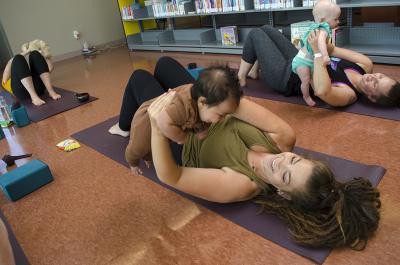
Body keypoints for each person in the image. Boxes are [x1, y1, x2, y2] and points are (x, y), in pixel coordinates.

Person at [148, 92, 381, 250]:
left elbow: (172, 175)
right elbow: (236, 102)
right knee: (165, 66)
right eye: (295, 160)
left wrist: (156, 126)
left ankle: (128, 126)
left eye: (286, 176)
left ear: (283, 193)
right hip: (204, 113)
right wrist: (206, 96)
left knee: (142, 85)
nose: (282, 161)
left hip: (183, 141)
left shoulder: (243, 184)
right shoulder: (283, 137)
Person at [111, 56, 281, 175]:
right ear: (202, 102)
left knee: (139, 76)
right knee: (138, 148)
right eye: (221, 114)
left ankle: (122, 125)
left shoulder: (205, 109)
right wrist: (181, 137)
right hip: (157, 120)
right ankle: (131, 155)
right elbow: (162, 122)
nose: (221, 119)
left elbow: (204, 118)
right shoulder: (186, 108)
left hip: (188, 135)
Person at [238, 25, 400, 107]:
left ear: (372, 98)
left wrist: (316, 52)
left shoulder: (348, 94)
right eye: (380, 76)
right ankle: (254, 70)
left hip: (285, 78)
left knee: (255, 34)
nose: (373, 77)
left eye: (376, 84)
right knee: (267, 29)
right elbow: (332, 49)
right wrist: (321, 35)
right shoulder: (365, 64)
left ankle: (241, 76)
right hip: (298, 59)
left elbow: (321, 91)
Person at [292, 0, 341, 106]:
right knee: (306, 80)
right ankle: (306, 96)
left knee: (314, 78)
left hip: (309, 59)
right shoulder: (323, 29)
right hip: (302, 61)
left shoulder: (314, 26)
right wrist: (325, 56)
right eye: (336, 19)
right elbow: (321, 43)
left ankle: (317, 93)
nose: (338, 22)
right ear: (323, 20)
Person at [1, 39, 61, 106]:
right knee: (18, 58)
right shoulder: (7, 81)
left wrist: (43, 52)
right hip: (22, 93)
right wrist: (26, 52)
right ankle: (34, 97)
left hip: (39, 89)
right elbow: (9, 64)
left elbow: (49, 68)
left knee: (35, 54)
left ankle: (51, 91)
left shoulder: (33, 76)